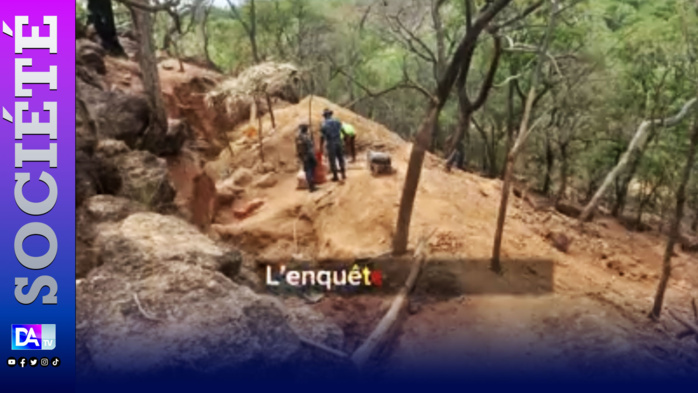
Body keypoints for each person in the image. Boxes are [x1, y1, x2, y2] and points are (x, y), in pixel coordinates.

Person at [320, 108, 346, 181]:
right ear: (331, 114)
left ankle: (335, 176)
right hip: (339, 141)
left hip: (331, 143)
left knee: (332, 160)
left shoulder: (324, 124)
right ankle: (343, 174)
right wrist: (343, 140)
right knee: (341, 158)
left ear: (324, 116)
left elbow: (322, 136)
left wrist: (321, 146)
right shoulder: (337, 121)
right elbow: (343, 131)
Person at [295, 124, 317, 192]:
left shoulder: (298, 138)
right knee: (311, 169)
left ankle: (310, 184)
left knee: (307, 170)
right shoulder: (306, 137)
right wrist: (313, 157)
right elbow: (310, 147)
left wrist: (300, 156)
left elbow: (297, 148)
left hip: (303, 156)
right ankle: (311, 184)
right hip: (309, 155)